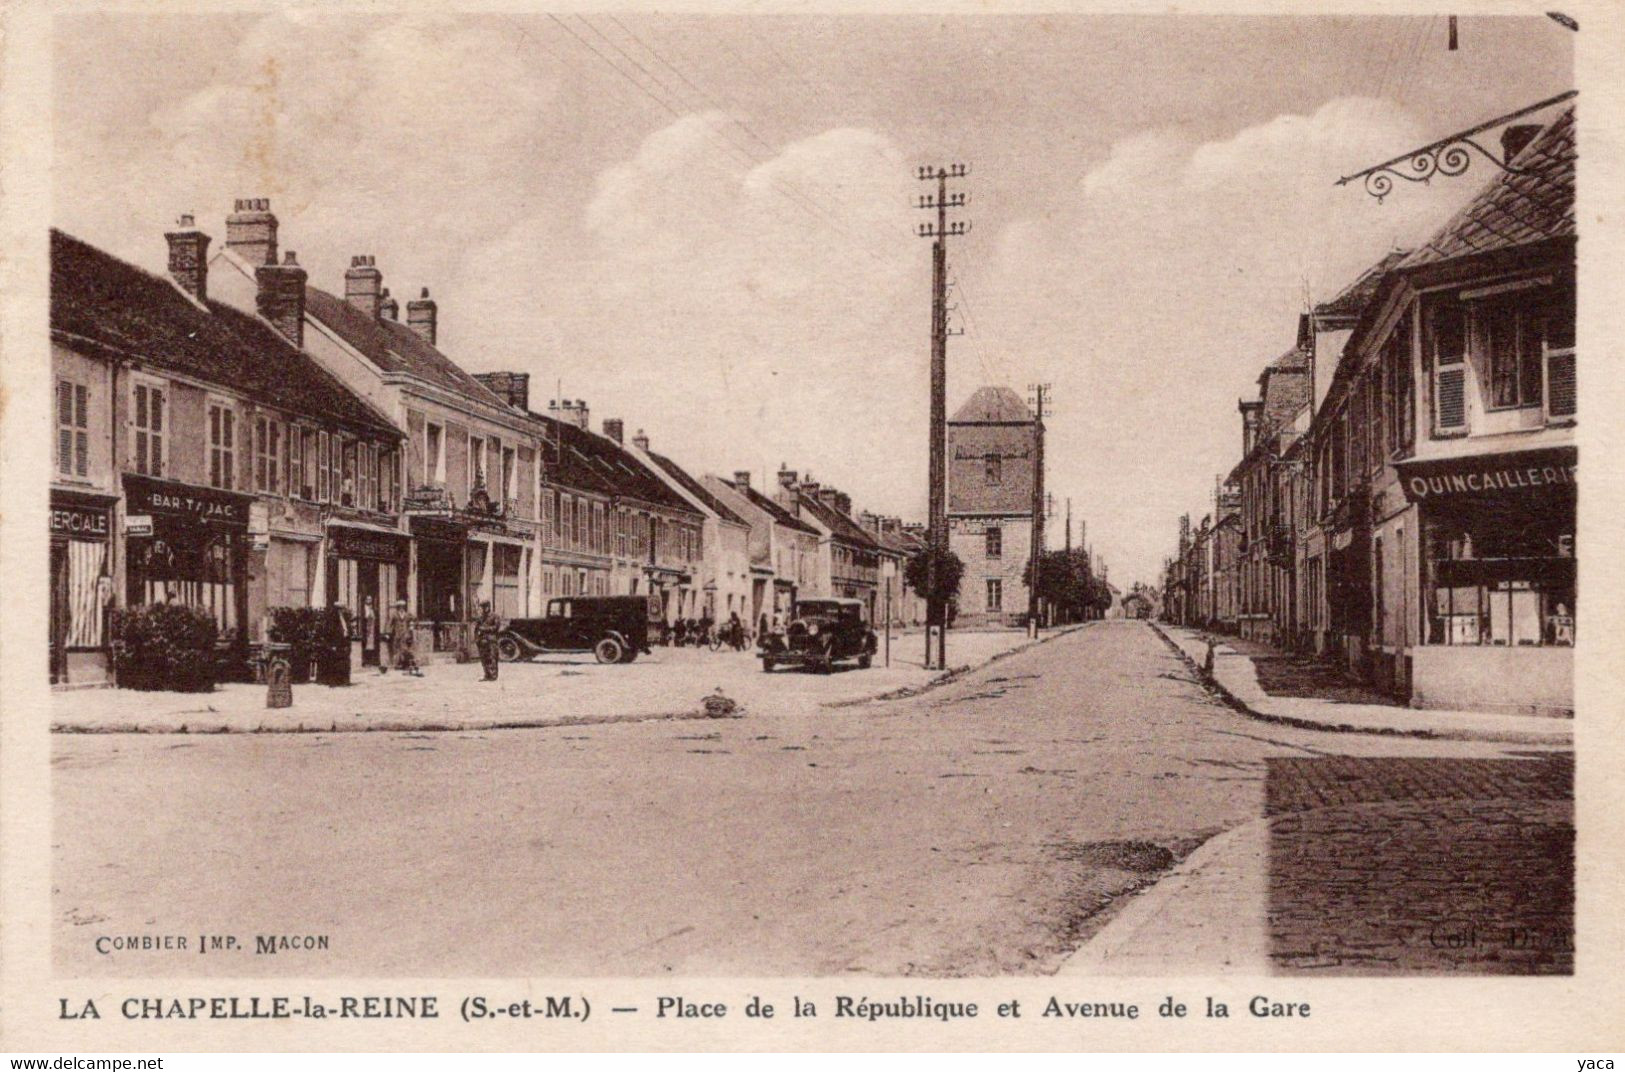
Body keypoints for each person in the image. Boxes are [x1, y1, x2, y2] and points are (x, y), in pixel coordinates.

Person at [386, 599, 420, 676]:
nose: (401, 608)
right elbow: (389, 624)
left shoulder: (408, 614)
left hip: (406, 634)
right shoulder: (394, 614)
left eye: (403, 607)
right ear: (398, 607)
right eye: (400, 607)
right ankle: (398, 664)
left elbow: (415, 619)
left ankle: (406, 664)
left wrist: (412, 626)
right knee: (397, 649)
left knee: (405, 649)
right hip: (397, 634)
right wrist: (388, 633)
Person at [474, 599, 504, 681]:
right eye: (482, 607)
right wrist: (476, 639)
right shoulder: (480, 617)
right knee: (484, 658)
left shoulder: (495, 616)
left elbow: (496, 627)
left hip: (491, 640)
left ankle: (493, 676)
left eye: (485, 607)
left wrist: (485, 629)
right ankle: (486, 675)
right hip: (482, 640)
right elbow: (476, 629)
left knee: (492, 657)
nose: (483, 609)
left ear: (488, 606)